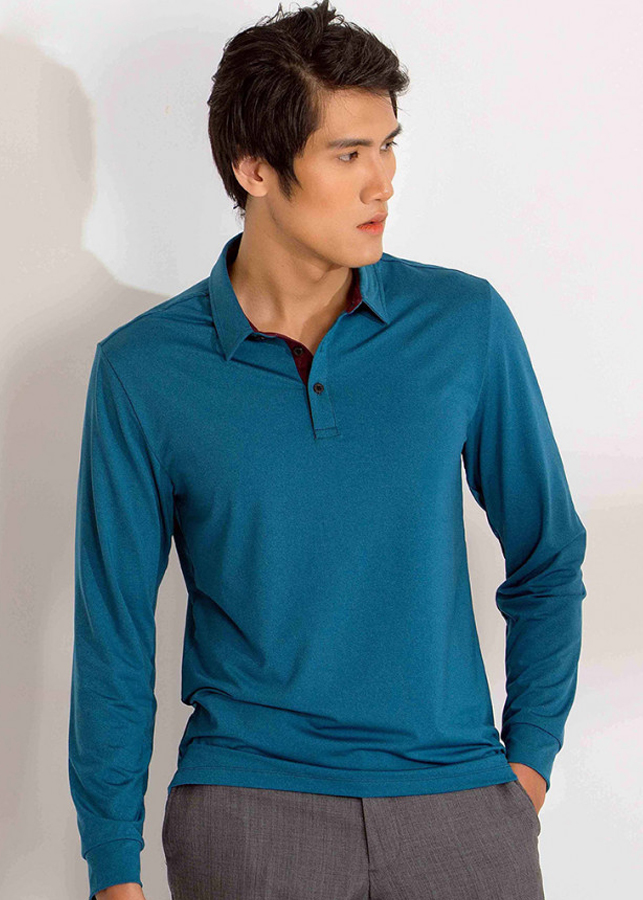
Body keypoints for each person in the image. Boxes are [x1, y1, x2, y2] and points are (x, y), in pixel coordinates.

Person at [68, 2, 588, 898]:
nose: (382, 182)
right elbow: (112, 631)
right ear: (254, 168)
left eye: (387, 146)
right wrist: (113, 867)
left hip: (460, 803)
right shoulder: (144, 371)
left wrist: (526, 767)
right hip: (248, 812)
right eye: (348, 155)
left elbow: (547, 555)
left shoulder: (462, 325)